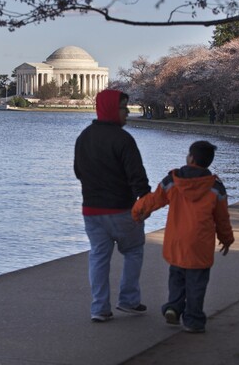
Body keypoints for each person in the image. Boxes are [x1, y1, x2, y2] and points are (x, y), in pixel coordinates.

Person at [131, 141, 234, 333]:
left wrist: (137, 211)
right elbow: (222, 218)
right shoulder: (216, 187)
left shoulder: (173, 180)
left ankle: (173, 307)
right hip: (200, 245)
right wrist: (227, 239)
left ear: (191, 158)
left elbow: (154, 200)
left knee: (176, 277)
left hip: (176, 242)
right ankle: (193, 320)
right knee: (196, 284)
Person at [74, 89, 151, 323]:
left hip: (91, 210)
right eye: (124, 108)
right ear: (111, 109)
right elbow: (137, 176)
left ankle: (99, 307)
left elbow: (78, 172)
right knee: (134, 250)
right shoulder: (123, 139)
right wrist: (145, 200)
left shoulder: (84, 137)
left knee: (98, 257)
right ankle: (128, 299)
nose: (127, 113)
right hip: (121, 209)